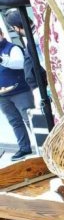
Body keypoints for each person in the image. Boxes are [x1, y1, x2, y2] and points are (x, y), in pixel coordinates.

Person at [0, 30, 34, 161]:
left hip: (20, 91)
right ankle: (24, 148)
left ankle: (45, 146)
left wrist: (2, 60)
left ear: (2, 35)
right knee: (14, 122)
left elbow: (20, 64)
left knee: (30, 119)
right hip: (3, 95)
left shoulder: (12, 48)